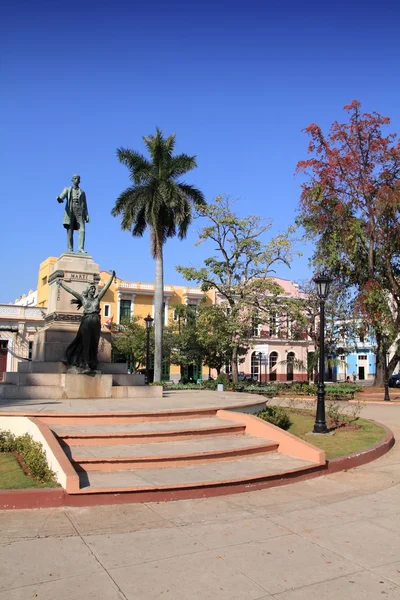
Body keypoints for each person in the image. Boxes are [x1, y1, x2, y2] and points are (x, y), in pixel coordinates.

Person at [57, 270, 115, 372]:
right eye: (91, 289)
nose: (93, 290)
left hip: (96, 321)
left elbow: (105, 288)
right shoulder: (83, 299)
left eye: (94, 289)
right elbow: (72, 291)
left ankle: (93, 363)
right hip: (87, 321)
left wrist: (112, 277)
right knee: (86, 342)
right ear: (88, 291)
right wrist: (61, 284)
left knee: (94, 343)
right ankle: (86, 365)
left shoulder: (97, 299)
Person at [57, 174, 89, 253]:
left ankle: (81, 248)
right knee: (70, 230)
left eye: (78, 179)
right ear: (72, 180)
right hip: (70, 210)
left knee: (82, 230)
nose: (76, 180)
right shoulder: (68, 189)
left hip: (80, 212)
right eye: (75, 178)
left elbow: (85, 204)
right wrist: (59, 198)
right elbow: (62, 196)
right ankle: (70, 248)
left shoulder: (82, 193)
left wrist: (86, 214)